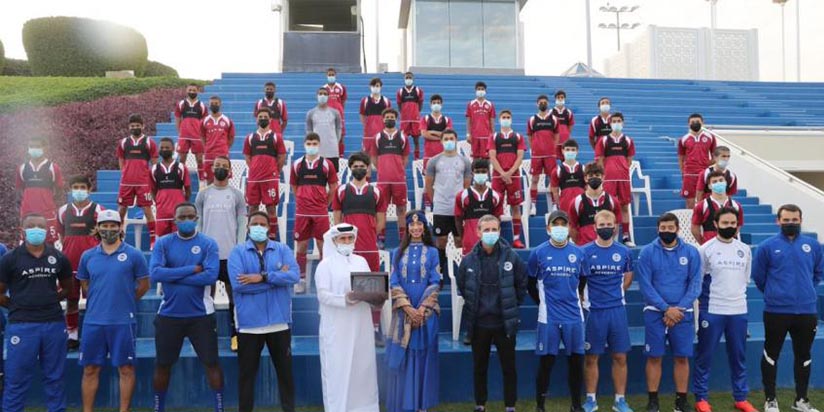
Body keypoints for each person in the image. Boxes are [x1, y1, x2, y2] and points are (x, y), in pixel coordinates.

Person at [149, 203, 224, 412]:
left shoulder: (208, 244)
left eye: (191, 216)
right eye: (182, 217)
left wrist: (172, 276)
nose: (187, 220)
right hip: (168, 315)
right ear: (175, 220)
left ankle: (219, 408)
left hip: (201, 315)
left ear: (197, 217)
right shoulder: (163, 243)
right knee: (163, 365)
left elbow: (210, 276)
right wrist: (191, 269)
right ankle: (159, 408)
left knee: (212, 363)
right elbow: (155, 274)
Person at [77, 210, 150, 412]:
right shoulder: (88, 256)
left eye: (113, 225)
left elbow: (143, 285)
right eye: (104, 225)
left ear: (120, 227)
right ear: (98, 228)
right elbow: (84, 284)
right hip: (93, 321)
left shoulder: (134, 255)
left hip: (122, 321)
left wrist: (125, 299)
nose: (108, 229)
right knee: (90, 369)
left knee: (126, 369)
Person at [753, 204, 823, 412]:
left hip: (806, 311)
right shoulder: (767, 246)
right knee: (771, 354)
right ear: (778, 221)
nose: (790, 223)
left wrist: (806, 290)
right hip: (776, 310)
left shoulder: (813, 245)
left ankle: (801, 400)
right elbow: (759, 277)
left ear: (800, 220)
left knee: (804, 355)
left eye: (794, 220)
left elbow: (818, 273)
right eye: (786, 220)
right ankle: (771, 399)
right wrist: (776, 293)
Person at [0, 213, 73, 412]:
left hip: (54, 324)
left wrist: (49, 301)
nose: (36, 229)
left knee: (55, 378)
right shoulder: (10, 259)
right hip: (22, 325)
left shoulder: (58, 257)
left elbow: (68, 287)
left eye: (40, 226)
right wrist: (18, 305)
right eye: (31, 225)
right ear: (23, 230)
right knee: (16, 380)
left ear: (46, 229)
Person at [228, 211, 299, 412]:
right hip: (249, 325)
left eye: (262, 223)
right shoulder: (237, 252)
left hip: (279, 323)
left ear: (269, 227)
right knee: (246, 377)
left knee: (285, 375)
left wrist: (263, 277)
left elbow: (293, 276)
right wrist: (276, 280)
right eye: (254, 223)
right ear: (248, 227)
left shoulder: (282, 249)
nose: (258, 227)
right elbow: (239, 285)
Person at [457, 214, 527, 412]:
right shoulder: (468, 260)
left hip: (504, 323)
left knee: (509, 368)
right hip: (479, 324)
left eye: (494, 229)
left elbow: (522, 284)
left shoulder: (512, 257)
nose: (490, 233)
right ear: (478, 232)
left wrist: (511, 304)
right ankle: (480, 405)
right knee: (480, 368)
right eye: (486, 230)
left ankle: (510, 406)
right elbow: (463, 286)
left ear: (499, 231)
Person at [692, 207, 758, 412]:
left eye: (732, 223)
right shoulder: (706, 249)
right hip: (712, 310)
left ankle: (741, 398)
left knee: (738, 356)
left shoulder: (744, 249)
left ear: (737, 224)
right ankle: (701, 398)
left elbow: (744, 280)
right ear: (716, 224)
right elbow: (698, 280)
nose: (729, 226)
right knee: (705, 355)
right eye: (725, 223)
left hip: (738, 310)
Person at [637, 213, 702, 412]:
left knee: (682, 357)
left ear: (677, 229)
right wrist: (666, 309)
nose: (666, 231)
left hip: (683, 313)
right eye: (663, 228)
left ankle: (681, 401)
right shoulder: (647, 252)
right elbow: (645, 285)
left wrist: (678, 308)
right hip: (655, 311)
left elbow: (696, 284)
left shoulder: (691, 252)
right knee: (654, 357)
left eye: (670, 228)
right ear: (658, 229)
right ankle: (653, 400)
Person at [315, 223, 381, 412]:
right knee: (338, 368)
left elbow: (370, 287)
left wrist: (378, 296)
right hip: (336, 325)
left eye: (350, 238)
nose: (346, 241)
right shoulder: (324, 265)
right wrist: (344, 299)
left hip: (361, 322)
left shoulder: (361, 261)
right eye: (342, 238)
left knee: (363, 366)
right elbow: (323, 296)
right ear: (334, 240)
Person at [528, 210, 586, 412]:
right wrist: (543, 303)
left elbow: (582, 280)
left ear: (569, 228)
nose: (560, 228)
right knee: (546, 363)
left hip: (574, 317)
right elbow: (530, 284)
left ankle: (576, 405)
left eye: (563, 224)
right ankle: (540, 405)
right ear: (548, 228)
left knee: (576, 363)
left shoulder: (578, 253)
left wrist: (574, 297)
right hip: (549, 318)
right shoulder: (538, 253)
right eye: (555, 224)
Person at [385, 210, 441, 412]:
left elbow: (435, 281)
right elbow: (393, 281)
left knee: (422, 354)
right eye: (412, 225)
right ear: (407, 228)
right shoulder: (397, 253)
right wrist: (408, 308)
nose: (416, 228)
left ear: (424, 227)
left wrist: (422, 309)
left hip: (426, 312)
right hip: (403, 310)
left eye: (419, 225)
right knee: (406, 355)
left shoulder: (433, 253)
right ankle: (404, 403)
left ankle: (421, 404)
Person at [580, 211, 634, 412]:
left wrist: (618, 293)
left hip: (617, 310)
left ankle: (620, 400)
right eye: (601, 224)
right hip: (593, 311)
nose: (605, 227)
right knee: (591, 357)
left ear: (615, 226)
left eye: (609, 224)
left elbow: (628, 276)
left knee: (620, 357)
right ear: (594, 227)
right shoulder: (584, 251)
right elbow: (579, 280)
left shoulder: (624, 252)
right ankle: (590, 399)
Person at [332, 152, 387, 345]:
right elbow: (337, 219)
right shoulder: (341, 190)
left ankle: (374, 329)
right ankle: (349, 330)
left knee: (373, 289)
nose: (358, 169)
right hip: (348, 249)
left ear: (368, 168)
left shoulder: (377, 191)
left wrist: (368, 233)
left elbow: (381, 221)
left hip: (370, 248)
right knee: (348, 288)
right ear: (350, 168)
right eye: (354, 166)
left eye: (361, 165)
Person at [195, 155, 247, 352]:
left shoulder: (236, 195)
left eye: (224, 166)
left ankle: (236, 335)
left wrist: (239, 247)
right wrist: (199, 246)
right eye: (217, 165)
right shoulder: (203, 194)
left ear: (230, 170)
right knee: (206, 297)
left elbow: (242, 222)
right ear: (212, 168)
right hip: (209, 255)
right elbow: (198, 222)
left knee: (235, 297)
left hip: (230, 254)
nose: (220, 168)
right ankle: (208, 334)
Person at [56, 175, 103, 350]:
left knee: (94, 298)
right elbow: (62, 235)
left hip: (92, 264)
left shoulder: (98, 209)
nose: (79, 190)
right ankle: (72, 334)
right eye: (75, 187)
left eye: (82, 187)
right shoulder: (62, 211)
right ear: (70, 189)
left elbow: (102, 235)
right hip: (69, 262)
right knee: (71, 300)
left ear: (89, 189)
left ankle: (94, 333)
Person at [290, 133, 339, 293]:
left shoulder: (326, 164)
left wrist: (326, 203)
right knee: (302, 246)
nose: (312, 145)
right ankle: (301, 279)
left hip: (320, 211)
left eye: (314, 143)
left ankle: (323, 280)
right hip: (302, 211)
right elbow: (294, 186)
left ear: (319, 145)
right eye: (309, 143)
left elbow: (333, 186)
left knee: (322, 245)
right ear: (305, 144)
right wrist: (302, 199)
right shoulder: (297, 164)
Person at [425, 129, 472, 273]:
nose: (449, 141)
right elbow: (428, 185)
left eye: (452, 138)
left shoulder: (464, 161)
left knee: (459, 240)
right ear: (441, 141)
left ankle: (461, 271)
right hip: (441, 207)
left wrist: (461, 205)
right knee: (441, 241)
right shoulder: (434, 161)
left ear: (456, 140)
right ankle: (440, 271)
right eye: (446, 139)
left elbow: (467, 186)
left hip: (458, 209)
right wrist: (436, 201)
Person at [243, 107, 287, 240]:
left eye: (265, 117)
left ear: (270, 119)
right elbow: (247, 156)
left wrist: (274, 171)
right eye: (260, 116)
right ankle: (252, 236)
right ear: (257, 119)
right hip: (254, 179)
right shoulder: (250, 137)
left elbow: (281, 156)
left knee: (271, 208)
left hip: (270, 179)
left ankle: (272, 236)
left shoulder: (276, 137)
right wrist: (255, 169)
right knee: (252, 208)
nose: (262, 119)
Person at [116, 113, 158, 247]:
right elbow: (121, 159)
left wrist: (151, 177)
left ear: (143, 126)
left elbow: (155, 162)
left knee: (147, 210)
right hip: (127, 182)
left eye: (138, 126)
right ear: (129, 127)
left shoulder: (148, 142)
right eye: (133, 126)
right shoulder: (123, 143)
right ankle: (118, 235)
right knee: (122, 209)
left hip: (143, 182)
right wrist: (124, 172)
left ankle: (153, 239)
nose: (135, 128)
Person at [594, 112, 635, 246]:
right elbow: (599, 160)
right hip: (609, 179)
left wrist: (621, 169)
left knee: (624, 206)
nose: (616, 123)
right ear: (610, 123)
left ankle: (625, 235)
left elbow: (629, 160)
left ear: (622, 123)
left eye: (619, 121)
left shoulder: (628, 140)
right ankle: (610, 236)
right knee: (608, 207)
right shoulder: (604, 140)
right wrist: (605, 174)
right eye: (614, 121)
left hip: (623, 178)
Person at [488, 109, 526, 249]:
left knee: (515, 206)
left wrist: (509, 172)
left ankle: (516, 239)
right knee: (495, 207)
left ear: (511, 119)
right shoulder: (494, 137)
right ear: (499, 119)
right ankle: (495, 238)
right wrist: (503, 173)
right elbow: (492, 157)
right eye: (503, 117)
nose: (506, 119)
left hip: (514, 176)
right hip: (498, 176)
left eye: (508, 117)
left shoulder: (517, 137)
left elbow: (520, 156)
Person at [16, 137, 64, 244]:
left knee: (52, 241)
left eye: (37, 146)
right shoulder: (22, 168)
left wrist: (50, 203)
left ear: (45, 148)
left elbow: (59, 189)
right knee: (26, 241)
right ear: (28, 148)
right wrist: (23, 204)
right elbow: (19, 189)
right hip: (27, 211)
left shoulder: (53, 167)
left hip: (47, 211)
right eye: (31, 146)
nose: (34, 149)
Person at [373, 108, 409, 242]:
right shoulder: (378, 137)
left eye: (392, 117)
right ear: (383, 119)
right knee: (381, 209)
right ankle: (381, 239)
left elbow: (405, 158)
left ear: (396, 119)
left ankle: (402, 239)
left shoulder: (402, 137)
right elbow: (373, 158)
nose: (389, 119)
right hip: (383, 180)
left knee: (401, 209)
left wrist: (397, 170)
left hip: (399, 180)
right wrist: (383, 170)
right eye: (387, 117)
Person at [454, 159, 504, 256]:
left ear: (488, 173)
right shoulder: (462, 196)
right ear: (472, 173)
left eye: (483, 171)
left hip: (490, 242)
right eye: (477, 172)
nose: (480, 174)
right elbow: (458, 219)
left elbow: (497, 219)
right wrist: (463, 237)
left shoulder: (496, 196)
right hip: (469, 241)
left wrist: (492, 236)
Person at [569, 163, 623, 245]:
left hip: (605, 246)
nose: (594, 177)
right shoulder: (576, 202)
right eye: (590, 175)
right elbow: (572, 228)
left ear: (603, 177)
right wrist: (581, 244)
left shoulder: (613, 201)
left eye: (597, 175)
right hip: (584, 246)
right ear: (585, 178)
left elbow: (616, 226)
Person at [151, 138, 192, 237]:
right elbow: (153, 190)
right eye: (162, 147)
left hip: (178, 211)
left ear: (173, 149)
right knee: (161, 239)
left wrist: (181, 201)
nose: (164, 149)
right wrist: (159, 201)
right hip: (162, 211)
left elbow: (188, 190)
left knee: (179, 238)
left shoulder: (181, 167)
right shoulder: (154, 169)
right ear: (158, 150)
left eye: (167, 147)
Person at [690, 171, 744, 244]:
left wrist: (729, 237)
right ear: (709, 186)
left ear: (726, 182)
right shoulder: (702, 206)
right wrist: (704, 243)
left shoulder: (736, 205)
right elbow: (694, 228)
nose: (718, 183)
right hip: (710, 244)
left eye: (721, 180)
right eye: (715, 182)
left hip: (731, 244)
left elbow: (738, 225)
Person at [420, 94, 454, 209]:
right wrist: (440, 136)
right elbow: (424, 134)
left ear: (442, 104)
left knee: (444, 180)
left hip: (443, 155)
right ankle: (429, 205)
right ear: (430, 105)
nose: (436, 105)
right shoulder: (425, 119)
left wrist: (432, 132)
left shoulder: (446, 119)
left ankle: (444, 204)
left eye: (438, 102)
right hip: (428, 155)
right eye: (434, 102)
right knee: (428, 181)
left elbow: (448, 134)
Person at [527, 94, 558, 216]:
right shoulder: (532, 119)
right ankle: (533, 205)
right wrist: (534, 147)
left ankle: (555, 204)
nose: (543, 104)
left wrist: (553, 148)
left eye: (545, 102)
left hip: (550, 154)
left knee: (553, 180)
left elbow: (556, 135)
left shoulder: (553, 119)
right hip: (537, 155)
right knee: (534, 179)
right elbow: (529, 136)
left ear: (548, 103)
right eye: (540, 102)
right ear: (537, 104)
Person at [678, 113, 716, 209]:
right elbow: (681, 158)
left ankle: (703, 223)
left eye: (697, 122)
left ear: (702, 123)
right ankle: (690, 222)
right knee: (690, 202)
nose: (695, 123)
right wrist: (683, 171)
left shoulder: (710, 137)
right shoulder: (683, 139)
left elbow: (715, 156)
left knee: (704, 202)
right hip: (689, 174)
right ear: (688, 124)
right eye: (692, 122)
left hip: (704, 174)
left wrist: (705, 163)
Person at [175, 83, 208, 180]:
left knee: (199, 159)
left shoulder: (202, 105)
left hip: (197, 135)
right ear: (186, 90)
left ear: (197, 91)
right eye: (190, 90)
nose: (192, 92)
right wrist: (179, 131)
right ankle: (180, 177)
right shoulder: (181, 104)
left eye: (194, 90)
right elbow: (177, 118)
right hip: (184, 134)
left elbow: (204, 121)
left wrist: (203, 135)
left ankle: (201, 178)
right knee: (182, 158)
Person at [201, 96, 236, 185]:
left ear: (220, 104)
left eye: (216, 103)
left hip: (222, 153)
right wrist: (208, 147)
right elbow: (202, 136)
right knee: (209, 180)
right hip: (209, 154)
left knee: (224, 179)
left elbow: (231, 137)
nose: (214, 105)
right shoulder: (205, 120)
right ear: (208, 105)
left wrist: (225, 147)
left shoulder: (227, 120)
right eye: (212, 104)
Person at [306, 87, 343, 171]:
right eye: (320, 94)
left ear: (328, 96)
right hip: (317, 151)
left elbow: (339, 128)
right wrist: (312, 144)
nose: (322, 96)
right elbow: (309, 130)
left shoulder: (335, 112)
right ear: (317, 96)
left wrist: (335, 141)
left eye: (325, 94)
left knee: (333, 178)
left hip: (332, 151)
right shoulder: (310, 113)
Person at [360, 77, 392, 165]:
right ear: (370, 86)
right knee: (367, 156)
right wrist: (366, 125)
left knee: (382, 155)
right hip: (368, 133)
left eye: (377, 85)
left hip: (382, 131)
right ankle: (368, 178)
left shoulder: (386, 100)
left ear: (381, 87)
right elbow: (362, 114)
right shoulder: (365, 100)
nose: (375, 87)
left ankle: (382, 176)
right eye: (373, 85)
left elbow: (389, 115)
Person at [550, 140, 586, 215]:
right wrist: (558, 203)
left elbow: (588, 187)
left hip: (581, 202)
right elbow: (554, 190)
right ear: (562, 151)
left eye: (573, 150)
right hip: (565, 203)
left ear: (577, 151)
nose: (570, 152)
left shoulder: (583, 169)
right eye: (568, 149)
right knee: (567, 225)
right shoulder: (557, 170)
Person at [397, 71, 424, 160]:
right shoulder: (400, 91)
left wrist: (416, 112)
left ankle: (416, 158)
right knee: (402, 140)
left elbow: (420, 103)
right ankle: (401, 158)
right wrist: (404, 113)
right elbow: (399, 104)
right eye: (406, 78)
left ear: (413, 79)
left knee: (416, 140)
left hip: (415, 119)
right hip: (405, 120)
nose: (408, 79)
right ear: (404, 79)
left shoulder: (418, 90)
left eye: (410, 78)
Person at [465, 81, 496, 160]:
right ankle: (475, 172)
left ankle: (487, 172)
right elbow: (469, 120)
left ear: (485, 91)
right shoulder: (471, 104)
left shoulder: (490, 104)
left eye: (482, 89)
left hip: (486, 136)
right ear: (475, 90)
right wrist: (468, 134)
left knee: (487, 158)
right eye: (479, 89)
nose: (480, 91)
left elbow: (492, 120)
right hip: (475, 135)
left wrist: (492, 134)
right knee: (475, 158)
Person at [322, 67, 348, 158]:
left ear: (335, 75)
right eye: (329, 75)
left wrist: (340, 109)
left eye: (332, 75)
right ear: (326, 76)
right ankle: (327, 155)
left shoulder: (341, 87)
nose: (331, 76)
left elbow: (343, 101)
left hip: (339, 115)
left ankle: (340, 156)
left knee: (340, 136)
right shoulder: (324, 88)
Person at [550, 90, 575, 157]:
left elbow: (570, 126)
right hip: (554, 140)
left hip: (565, 141)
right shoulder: (551, 112)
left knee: (565, 159)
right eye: (558, 97)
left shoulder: (568, 112)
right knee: (553, 158)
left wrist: (565, 133)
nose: (560, 99)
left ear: (564, 99)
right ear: (555, 99)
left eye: (562, 97)